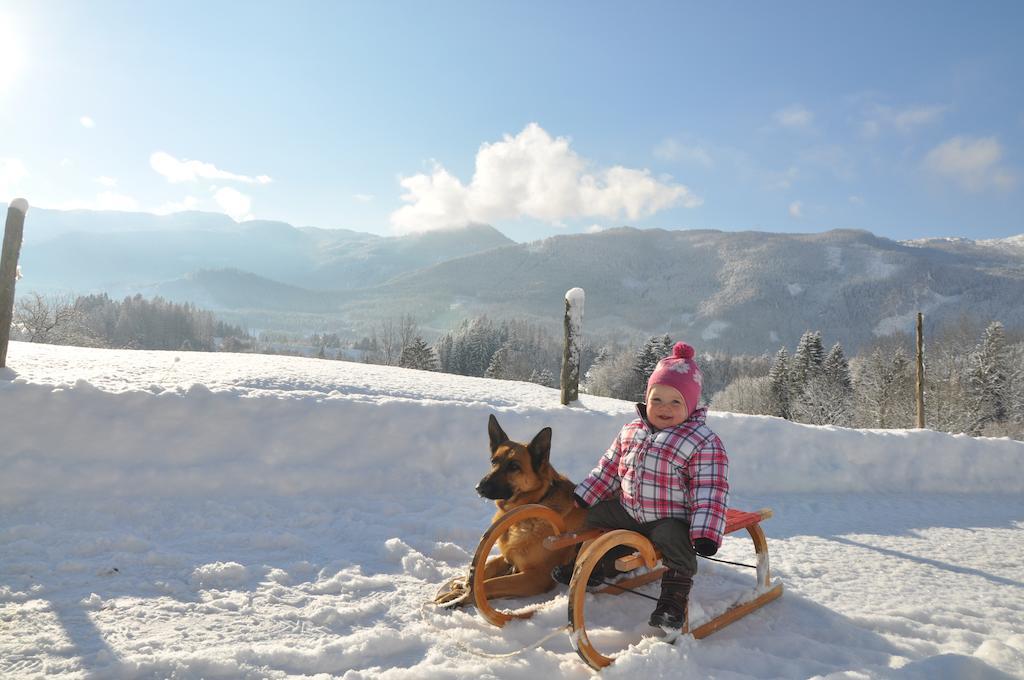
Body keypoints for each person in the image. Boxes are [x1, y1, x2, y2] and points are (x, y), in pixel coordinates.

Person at [553, 341, 729, 630]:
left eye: (676, 402)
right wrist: (587, 494)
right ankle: (592, 566)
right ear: (646, 398)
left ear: (691, 405)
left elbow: (710, 490)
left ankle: (672, 601)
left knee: (676, 541)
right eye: (657, 399)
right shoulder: (631, 430)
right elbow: (609, 468)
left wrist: (706, 533)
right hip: (629, 510)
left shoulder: (702, 441)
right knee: (595, 517)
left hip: (671, 518)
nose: (664, 408)